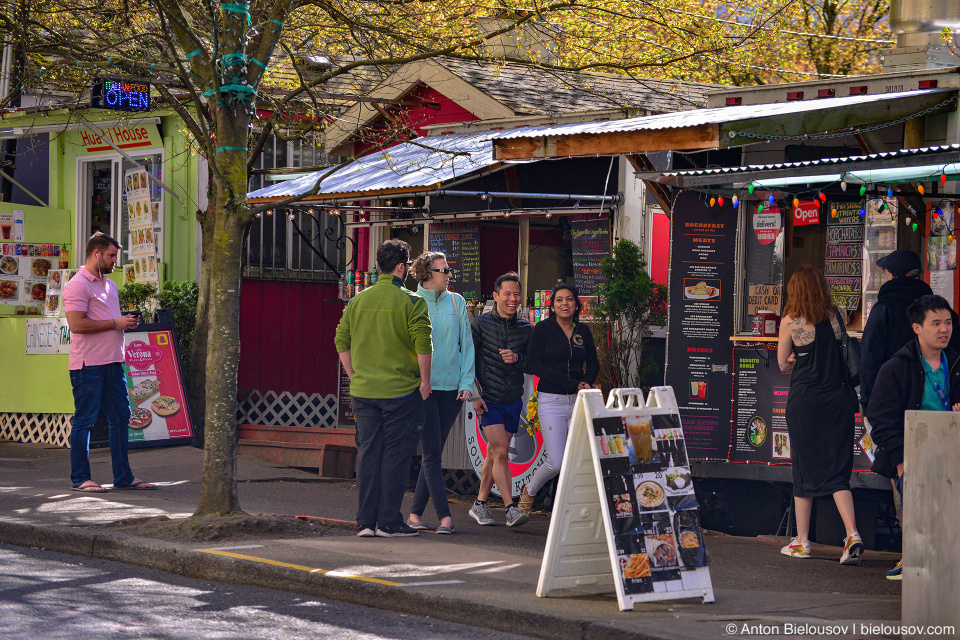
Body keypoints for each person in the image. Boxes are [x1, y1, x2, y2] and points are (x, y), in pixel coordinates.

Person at [335, 239, 433, 538]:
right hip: (401, 391)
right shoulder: (413, 301)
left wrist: (353, 375)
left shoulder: (358, 300)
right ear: (402, 267)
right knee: (395, 456)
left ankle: (365, 522)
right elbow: (423, 344)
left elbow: (341, 339)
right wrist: (425, 381)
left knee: (367, 453)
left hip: (364, 391)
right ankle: (389, 522)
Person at [866, 295, 960, 581]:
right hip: (911, 454)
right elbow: (880, 419)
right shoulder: (897, 367)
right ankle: (915, 565)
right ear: (917, 328)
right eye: (936, 324)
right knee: (916, 517)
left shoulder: (956, 364)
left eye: (948, 323)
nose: (944, 329)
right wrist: (901, 462)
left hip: (951, 452)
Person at [777, 264, 863, 565]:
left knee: (803, 468)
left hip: (806, 402)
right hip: (838, 401)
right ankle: (852, 534)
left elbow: (782, 364)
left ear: (794, 289)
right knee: (839, 471)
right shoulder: (837, 315)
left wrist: (793, 358)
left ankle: (802, 542)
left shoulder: (790, 321)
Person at [63, 232, 152, 493]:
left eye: (116, 255)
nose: (116, 261)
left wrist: (123, 321)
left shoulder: (109, 285)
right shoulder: (78, 285)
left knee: (121, 418)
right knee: (85, 421)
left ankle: (123, 477)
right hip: (87, 365)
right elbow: (76, 324)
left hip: (113, 362)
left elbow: (106, 319)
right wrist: (115, 323)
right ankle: (80, 478)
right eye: (112, 255)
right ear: (96, 254)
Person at [405, 251, 474, 535]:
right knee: (432, 452)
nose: (448, 275)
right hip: (424, 389)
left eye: (449, 270)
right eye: (443, 271)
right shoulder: (411, 303)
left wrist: (467, 383)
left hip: (453, 391)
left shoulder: (457, 302)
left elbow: (466, 345)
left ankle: (414, 515)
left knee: (433, 452)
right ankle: (445, 517)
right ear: (426, 274)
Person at [517, 282, 598, 515]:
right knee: (557, 461)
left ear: (576, 305)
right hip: (551, 400)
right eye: (560, 300)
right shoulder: (543, 329)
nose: (565, 303)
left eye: (569, 299)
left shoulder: (583, 331)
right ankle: (530, 491)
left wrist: (587, 382)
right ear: (552, 306)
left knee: (577, 459)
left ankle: (567, 510)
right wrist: (572, 383)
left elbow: (593, 362)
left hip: (579, 401)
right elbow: (534, 364)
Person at [470, 272, 533, 527]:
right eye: (507, 293)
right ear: (495, 296)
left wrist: (517, 359)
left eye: (516, 294)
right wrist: (474, 395)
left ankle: (479, 504)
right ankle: (510, 509)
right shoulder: (480, 324)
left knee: (494, 454)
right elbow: (468, 362)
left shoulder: (528, 329)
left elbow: (535, 363)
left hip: (513, 399)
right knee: (502, 451)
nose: (512, 298)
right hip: (488, 398)